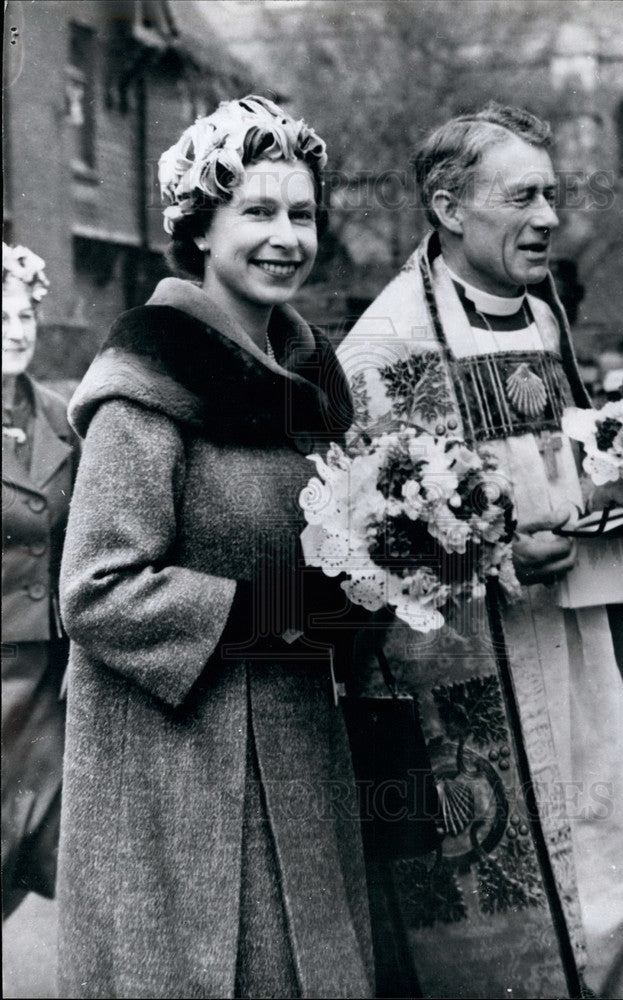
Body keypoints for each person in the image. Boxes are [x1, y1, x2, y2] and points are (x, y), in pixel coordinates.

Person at [336, 103, 623, 999]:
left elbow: (557, 460)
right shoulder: (388, 346)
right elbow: (367, 551)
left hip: (585, 654)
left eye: (550, 195)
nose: (549, 217)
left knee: (613, 863)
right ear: (447, 207)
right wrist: (499, 555)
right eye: (522, 197)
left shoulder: (545, 321)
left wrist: (622, 486)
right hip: (475, 682)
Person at [56, 96, 372, 999]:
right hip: (180, 773)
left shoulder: (314, 379)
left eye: (302, 214)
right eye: (257, 211)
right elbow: (96, 589)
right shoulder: (147, 378)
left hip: (299, 746)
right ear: (198, 228)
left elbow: (333, 561)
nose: (286, 237)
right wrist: (278, 614)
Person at [2, 243, 75, 920]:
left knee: (39, 840)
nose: (16, 330)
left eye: (25, 315)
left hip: (47, 679)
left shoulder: (60, 418)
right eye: (1, 318)